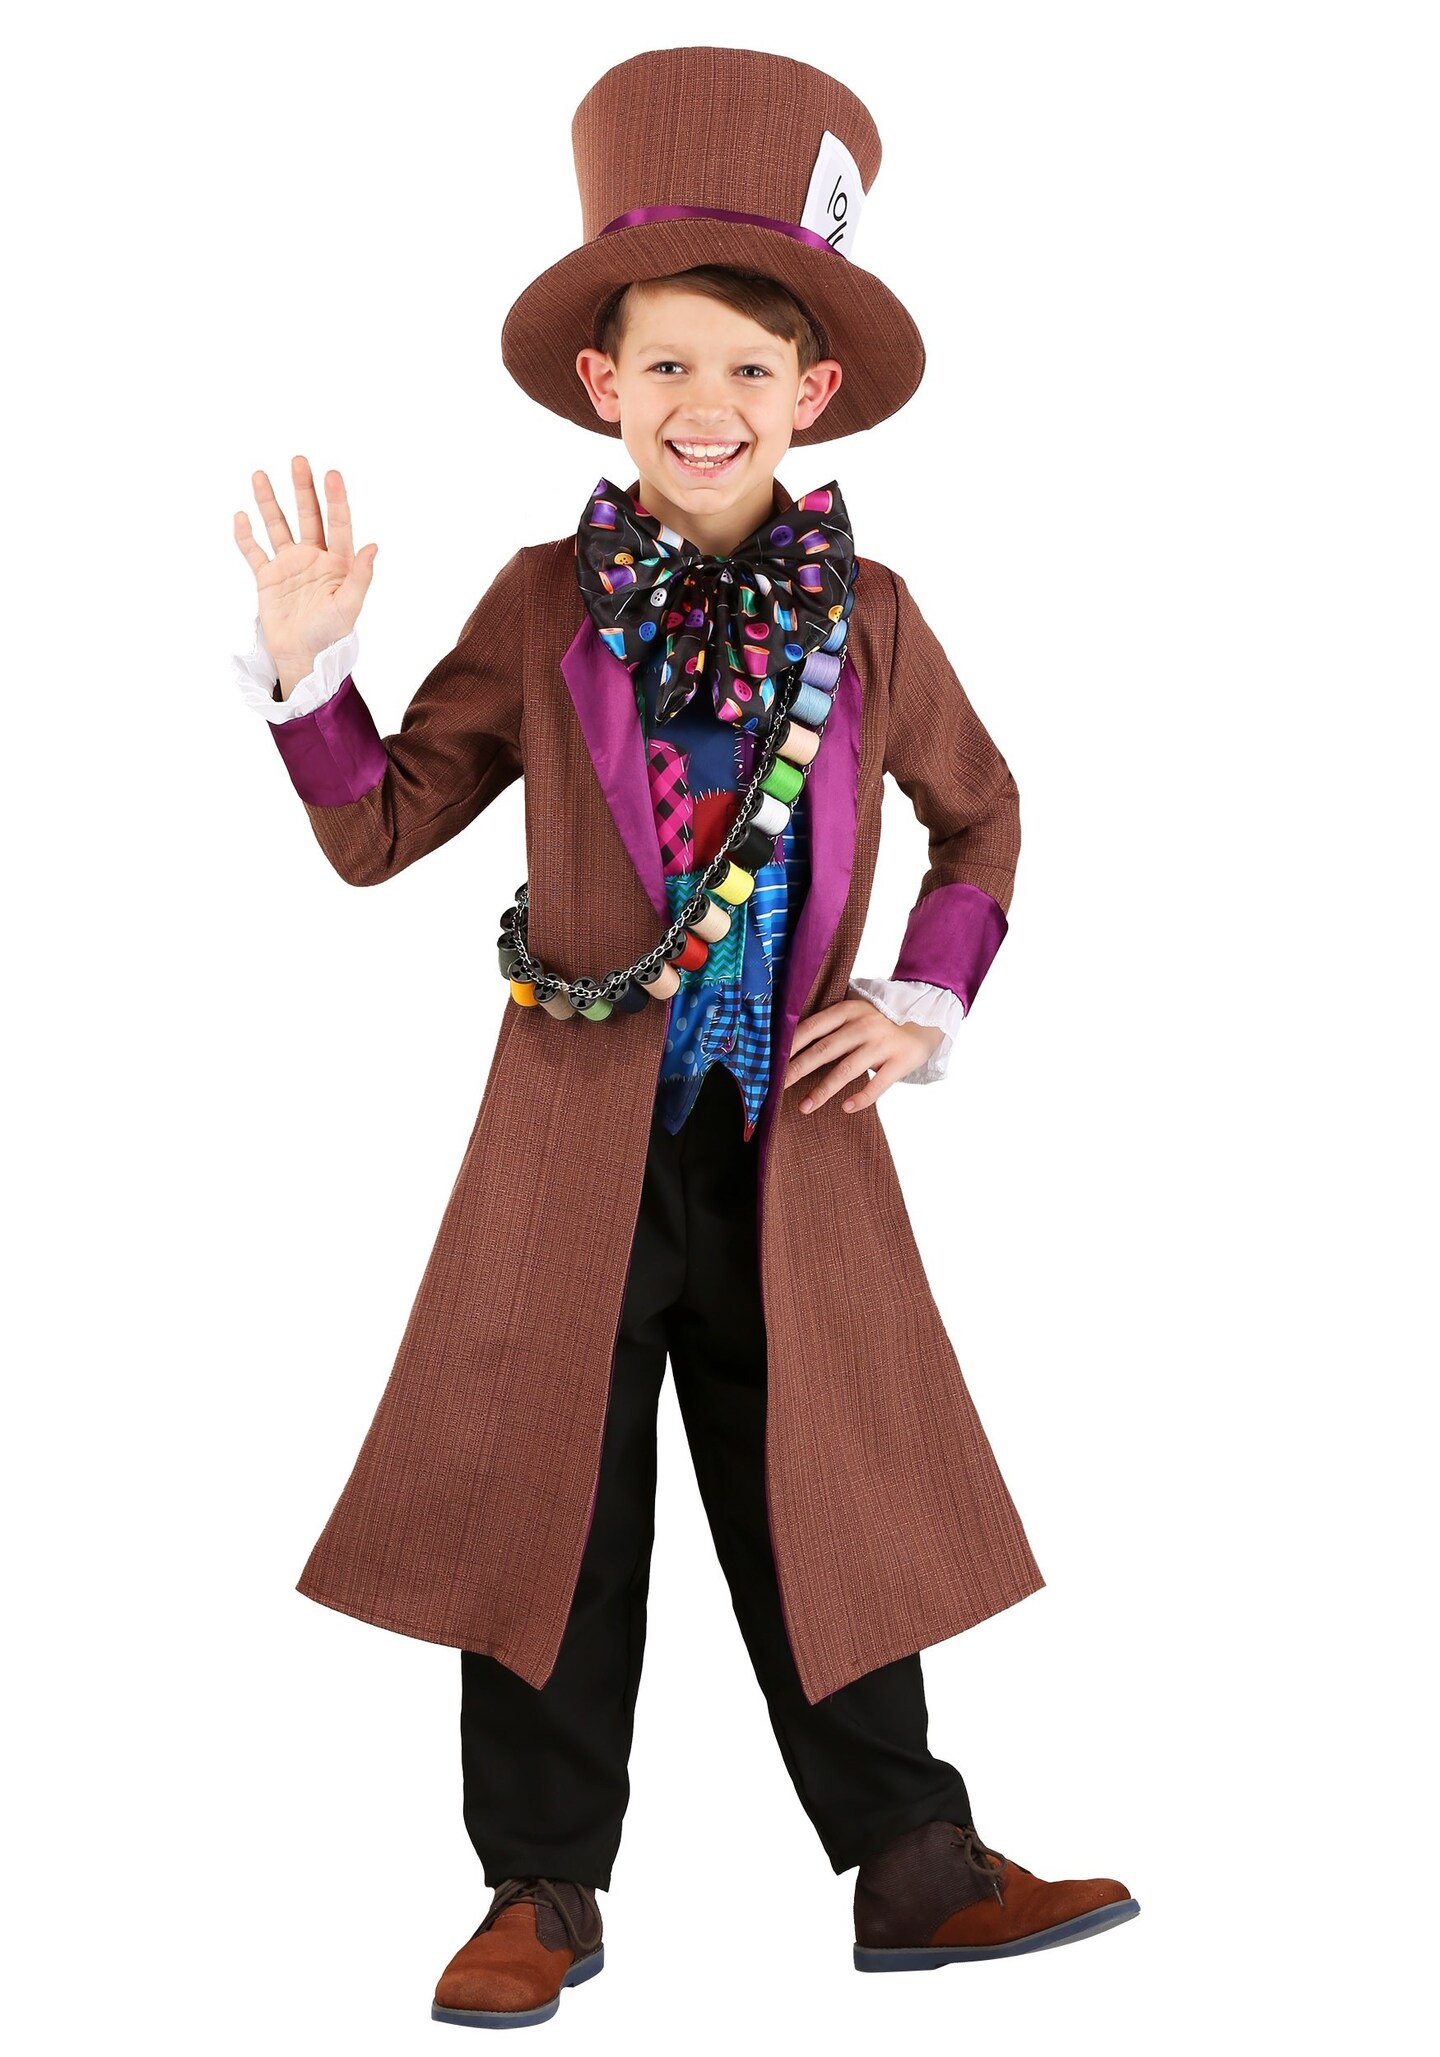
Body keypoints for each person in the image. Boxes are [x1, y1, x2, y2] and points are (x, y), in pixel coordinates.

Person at [230, 45, 1139, 2032]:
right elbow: (382, 831)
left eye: (744, 366)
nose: (702, 401)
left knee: (831, 1486)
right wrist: (310, 676)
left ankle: (914, 1863)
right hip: (575, 1143)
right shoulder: (537, 603)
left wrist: (922, 999)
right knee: (551, 1500)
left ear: (812, 394)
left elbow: (984, 814)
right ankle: (540, 1884)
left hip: (790, 1134)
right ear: (600, 384)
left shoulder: (870, 615)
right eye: (663, 364)